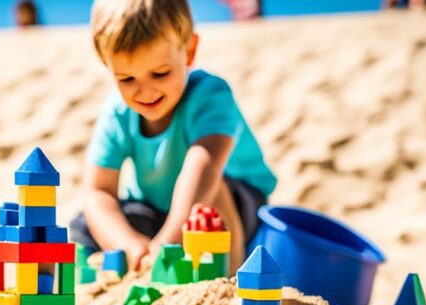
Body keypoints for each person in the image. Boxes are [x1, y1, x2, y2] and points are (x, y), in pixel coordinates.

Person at [72, 0, 276, 272]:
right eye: (126, 79)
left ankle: (228, 281)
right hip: (158, 209)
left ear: (189, 51)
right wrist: (128, 243)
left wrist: (167, 242)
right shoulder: (117, 113)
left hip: (234, 208)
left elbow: (203, 166)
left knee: (211, 196)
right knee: (82, 227)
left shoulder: (209, 95)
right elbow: (98, 190)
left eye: (160, 73)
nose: (145, 91)